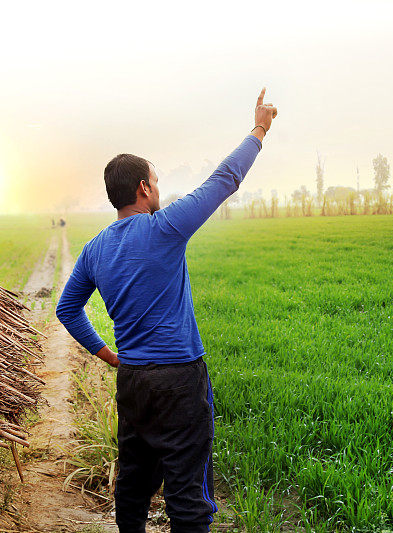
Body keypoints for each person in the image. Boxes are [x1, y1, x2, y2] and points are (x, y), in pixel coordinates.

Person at [56, 88, 278, 532]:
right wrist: (259, 129)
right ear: (143, 188)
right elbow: (223, 180)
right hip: (178, 379)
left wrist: (108, 354)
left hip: (133, 380)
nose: (159, 190)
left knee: (134, 486)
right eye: (155, 182)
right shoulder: (165, 228)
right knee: (188, 495)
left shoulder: (94, 249)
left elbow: (67, 309)